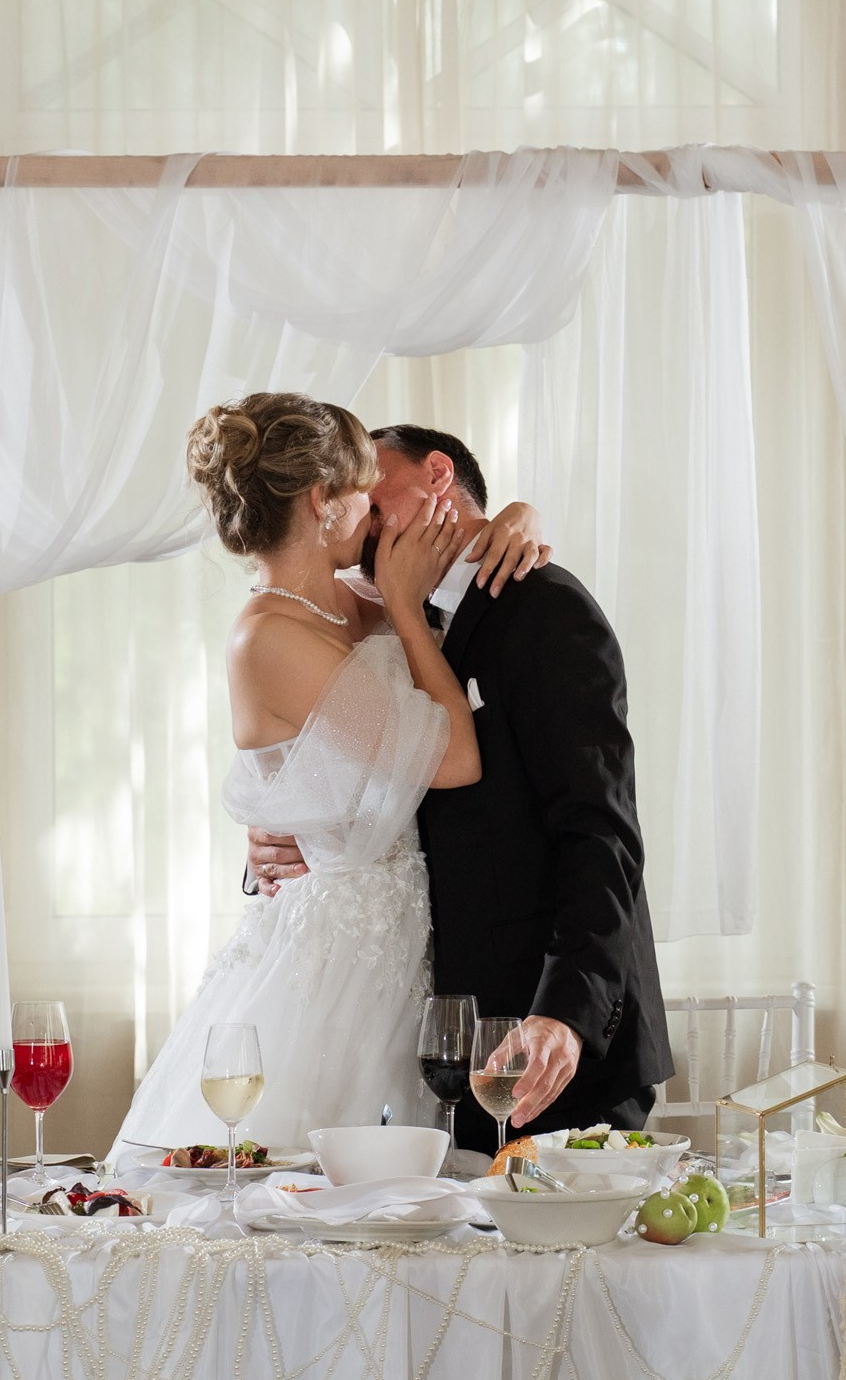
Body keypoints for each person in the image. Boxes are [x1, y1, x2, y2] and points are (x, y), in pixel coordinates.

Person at [110, 394, 547, 1159]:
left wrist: (518, 514)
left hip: (411, 950)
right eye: (361, 493)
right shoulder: (268, 639)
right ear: (322, 502)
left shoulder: (355, 599)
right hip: (333, 966)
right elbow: (455, 758)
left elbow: (457, 563)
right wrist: (408, 613)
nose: (374, 514)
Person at [248, 422, 671, 1150]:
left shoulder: (545, 609)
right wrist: (279, 838)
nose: (361, 517)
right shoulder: (367, 613)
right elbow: (322, 753)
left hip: (544, 1044)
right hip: (434, 1043)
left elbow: (600, 832)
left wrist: (565, 1016)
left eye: (372, 494)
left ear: (437, 473)